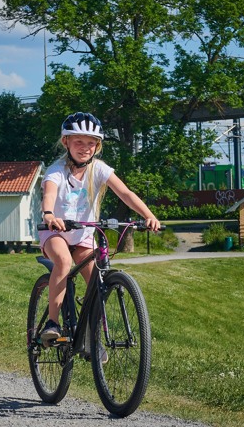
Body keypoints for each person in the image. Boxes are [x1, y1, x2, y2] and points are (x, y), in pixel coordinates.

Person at [39, 112, 161, 350]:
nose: (85, 147)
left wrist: (148, 215)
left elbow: (126, 193)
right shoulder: (56, 170)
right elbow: (50, 194)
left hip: (84, 235)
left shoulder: (99, 169)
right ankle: (52, 324)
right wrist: (49, 215)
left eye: (91, 143)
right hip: (55, 233)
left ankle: (91, 336)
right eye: (78, 142)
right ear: (66, 142)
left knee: (97, 279)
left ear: (97, 146)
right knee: (63, 262)